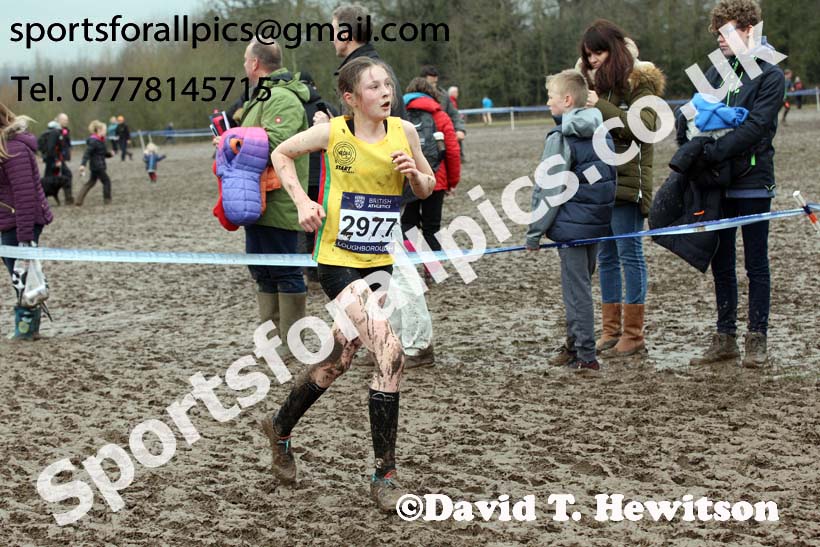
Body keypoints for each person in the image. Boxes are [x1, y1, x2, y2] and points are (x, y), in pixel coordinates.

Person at [263, 57, 435, 512]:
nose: (385, 91)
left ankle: (279, 428)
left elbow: (427, 185)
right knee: (391, 351)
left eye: (387, 83)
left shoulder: (406, 132)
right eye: (373, 86)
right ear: (351, 97)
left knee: (337, 360)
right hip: (338, 263)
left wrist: (414, 174)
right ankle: (384, 477)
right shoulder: (333, 132)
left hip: (379, 265)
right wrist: (302, 201)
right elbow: (281, 155)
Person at [681, 0, 784, 368]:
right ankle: (725, 337)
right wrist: (687, 135)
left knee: (756, 263)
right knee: (721, 261)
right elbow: (694, 111)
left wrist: (713, 152)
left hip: (753, 180)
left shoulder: (771, 73)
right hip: (716, 183)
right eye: (717, 32)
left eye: (726, 31)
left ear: (748, 29)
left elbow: (756, 127)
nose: (719, 39)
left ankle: (757, 338)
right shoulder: (716, 70)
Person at [578, 19, 665, 357]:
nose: (593, 60)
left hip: (629, 186)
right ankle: (611, 331)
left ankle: (634, 334)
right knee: (608, 258)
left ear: (613, 50)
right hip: (600, 185)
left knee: (630, 256)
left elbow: (643, 128)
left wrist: (599, 105)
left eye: (597, 53)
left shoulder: (641, 83)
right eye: (588, 56)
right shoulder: (599, 86)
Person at [526, 70, 616, 371]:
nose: (547, 102)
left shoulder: (561, 137)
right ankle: (575, 346)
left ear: (566, 100)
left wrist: (534, 232)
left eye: (550, 96)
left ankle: (586, 356)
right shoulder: (603, 131)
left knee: (577, 293)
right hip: (596, 224)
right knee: (581, 287)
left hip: (572, 228)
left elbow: (548, 189)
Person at [238, 39, 311, 358]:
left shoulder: (281, 98)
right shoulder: (261, 97)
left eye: (246, 60)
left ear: (255, 64)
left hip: (278, 199)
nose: (244, 65)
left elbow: (278, 144)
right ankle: (271, 341)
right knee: (262, 270)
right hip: (256, 200)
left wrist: (234, 143)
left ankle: (291, 345)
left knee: (285, 271)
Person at [0, 103, 54, 339]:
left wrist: (24, 239)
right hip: (8, 219)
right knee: (19, 273)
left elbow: (24, 195)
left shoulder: (14, 150)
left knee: (22, 275)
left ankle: (26, 329)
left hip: (22, 220)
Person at [401, 77, 461, 277]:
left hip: (407, 178)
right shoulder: (441, 116)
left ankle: (413, 260)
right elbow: (452, 152)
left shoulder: (399, 117)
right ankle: (433, 269)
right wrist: (452, 182)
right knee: (432, 227)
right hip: (436, 180)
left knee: (408, 223)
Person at [328, 3, 406, 120]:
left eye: (333, 31)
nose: (331, 39)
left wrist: (327, 127)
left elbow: (361, 126)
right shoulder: (380, 68)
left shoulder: (359, 74)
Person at [297, 70, 339, 283]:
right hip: (325, 175)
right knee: (325, 221)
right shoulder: (327, 107)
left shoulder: (293, 107)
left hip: (302, 174)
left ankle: (307, 268)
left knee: (304, 224)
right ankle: (324, 263)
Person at [420, 65, 466, 146]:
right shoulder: (415, 98)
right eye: (430, 83)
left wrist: (460, 129)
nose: (433, 86)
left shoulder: (444, 96)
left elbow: (454, 114)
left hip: (443, 137)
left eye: (435, 83)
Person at [75, 120, 114, 206]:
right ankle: (107, 200)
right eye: (104, 130)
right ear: (99, 130)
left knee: (91, 182)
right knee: (106, 181)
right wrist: (83, 165)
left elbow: (103, 153)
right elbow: (87, 153)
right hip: (98, 166)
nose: (105, 132)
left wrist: (110, 154)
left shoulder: (101, 140)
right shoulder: (93, 141)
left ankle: (78, 201)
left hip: (97, 165)